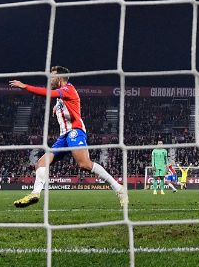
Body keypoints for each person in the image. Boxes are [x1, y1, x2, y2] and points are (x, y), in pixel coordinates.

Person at [9, 66, 127, 207]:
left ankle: (119, 188)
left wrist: (25, 86)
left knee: (84, 164)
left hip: (75, 131)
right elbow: (62, 101)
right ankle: (35, 194)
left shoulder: (68, 89)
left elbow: (48, 94)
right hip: (63, 136)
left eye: (52, 76)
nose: (50, 79)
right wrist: (57, 106)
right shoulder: (62, 96)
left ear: (59, 78)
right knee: (41, 163)